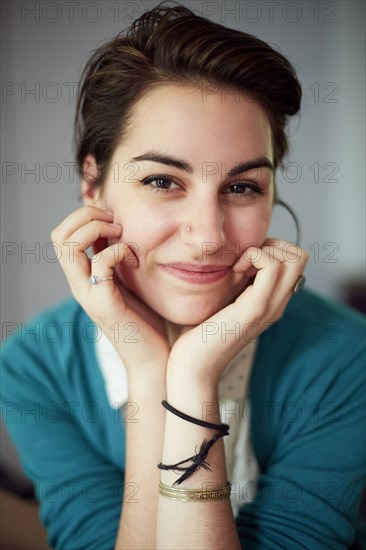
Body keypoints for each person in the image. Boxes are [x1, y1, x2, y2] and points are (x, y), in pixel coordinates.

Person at [1, 3, 365, 549]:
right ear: (93, 185)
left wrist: (194, 379)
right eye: (163, 181)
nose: (208, 236)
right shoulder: (35, 365)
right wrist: (150, 374)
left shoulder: (345, 355)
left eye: (242, 187)